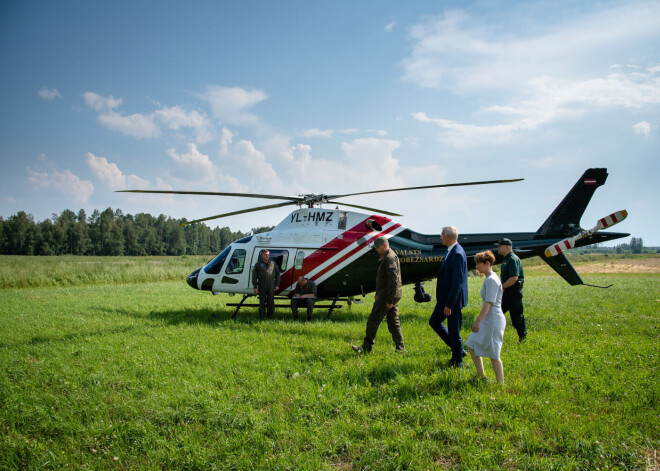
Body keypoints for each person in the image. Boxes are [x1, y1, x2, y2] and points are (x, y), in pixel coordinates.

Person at [352, 236, 406, 354]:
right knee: (393, 322)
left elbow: (393, 280)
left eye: (377, 247)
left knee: (373, 320)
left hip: (388, 295)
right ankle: (401, 349)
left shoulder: (389, 258)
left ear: (384, 245)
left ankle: (366, 348)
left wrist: (389, 300)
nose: (376, 250)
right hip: (389, 294)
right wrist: (378, 293)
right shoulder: (388, 255)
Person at [429, 226, 468, 367]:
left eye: (442, 235)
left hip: (452, 301)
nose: (441, 237)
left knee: (454, 331)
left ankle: (458, 362)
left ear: (449, 237)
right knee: (434, 321)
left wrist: (450, 304)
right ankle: (459, 351)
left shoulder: (457, 253)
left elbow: (457, 282)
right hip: (445, 300)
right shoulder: (450, 251)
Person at [465, 251, 506, 383]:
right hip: (488, 319)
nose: (476, 267)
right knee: (471, 345)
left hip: (493, 320)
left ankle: (501, 383)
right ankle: (481, 376)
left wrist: (478, 322)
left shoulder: (492, 280)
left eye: (478, 264)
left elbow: (489, 303)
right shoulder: (489, 278)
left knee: (494, 354)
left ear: (487, 263)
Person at [497, 238, 526, 341]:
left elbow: (514, 278)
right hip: (506, 293)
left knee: (516, 318)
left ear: (507, 247)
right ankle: (493, 336)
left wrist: (502, 287)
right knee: (497, 313)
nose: (498, 248)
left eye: (500, 246)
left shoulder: (512, 259)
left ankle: (522, 337)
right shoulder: (506, 258)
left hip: (513, 293)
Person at [252, 249, 281, 320]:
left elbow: (278, 275)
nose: (267, 256)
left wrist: (277, 285)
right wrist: (255, 287)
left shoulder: (272, 263)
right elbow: (254, 277)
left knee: (271, 302)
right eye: (265, 255)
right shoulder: (258, 264)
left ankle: (270, 317)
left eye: (268, 255)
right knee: (262, 302)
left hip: (271, 286)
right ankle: (262, 317)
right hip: (262, 285)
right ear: (262, 255)